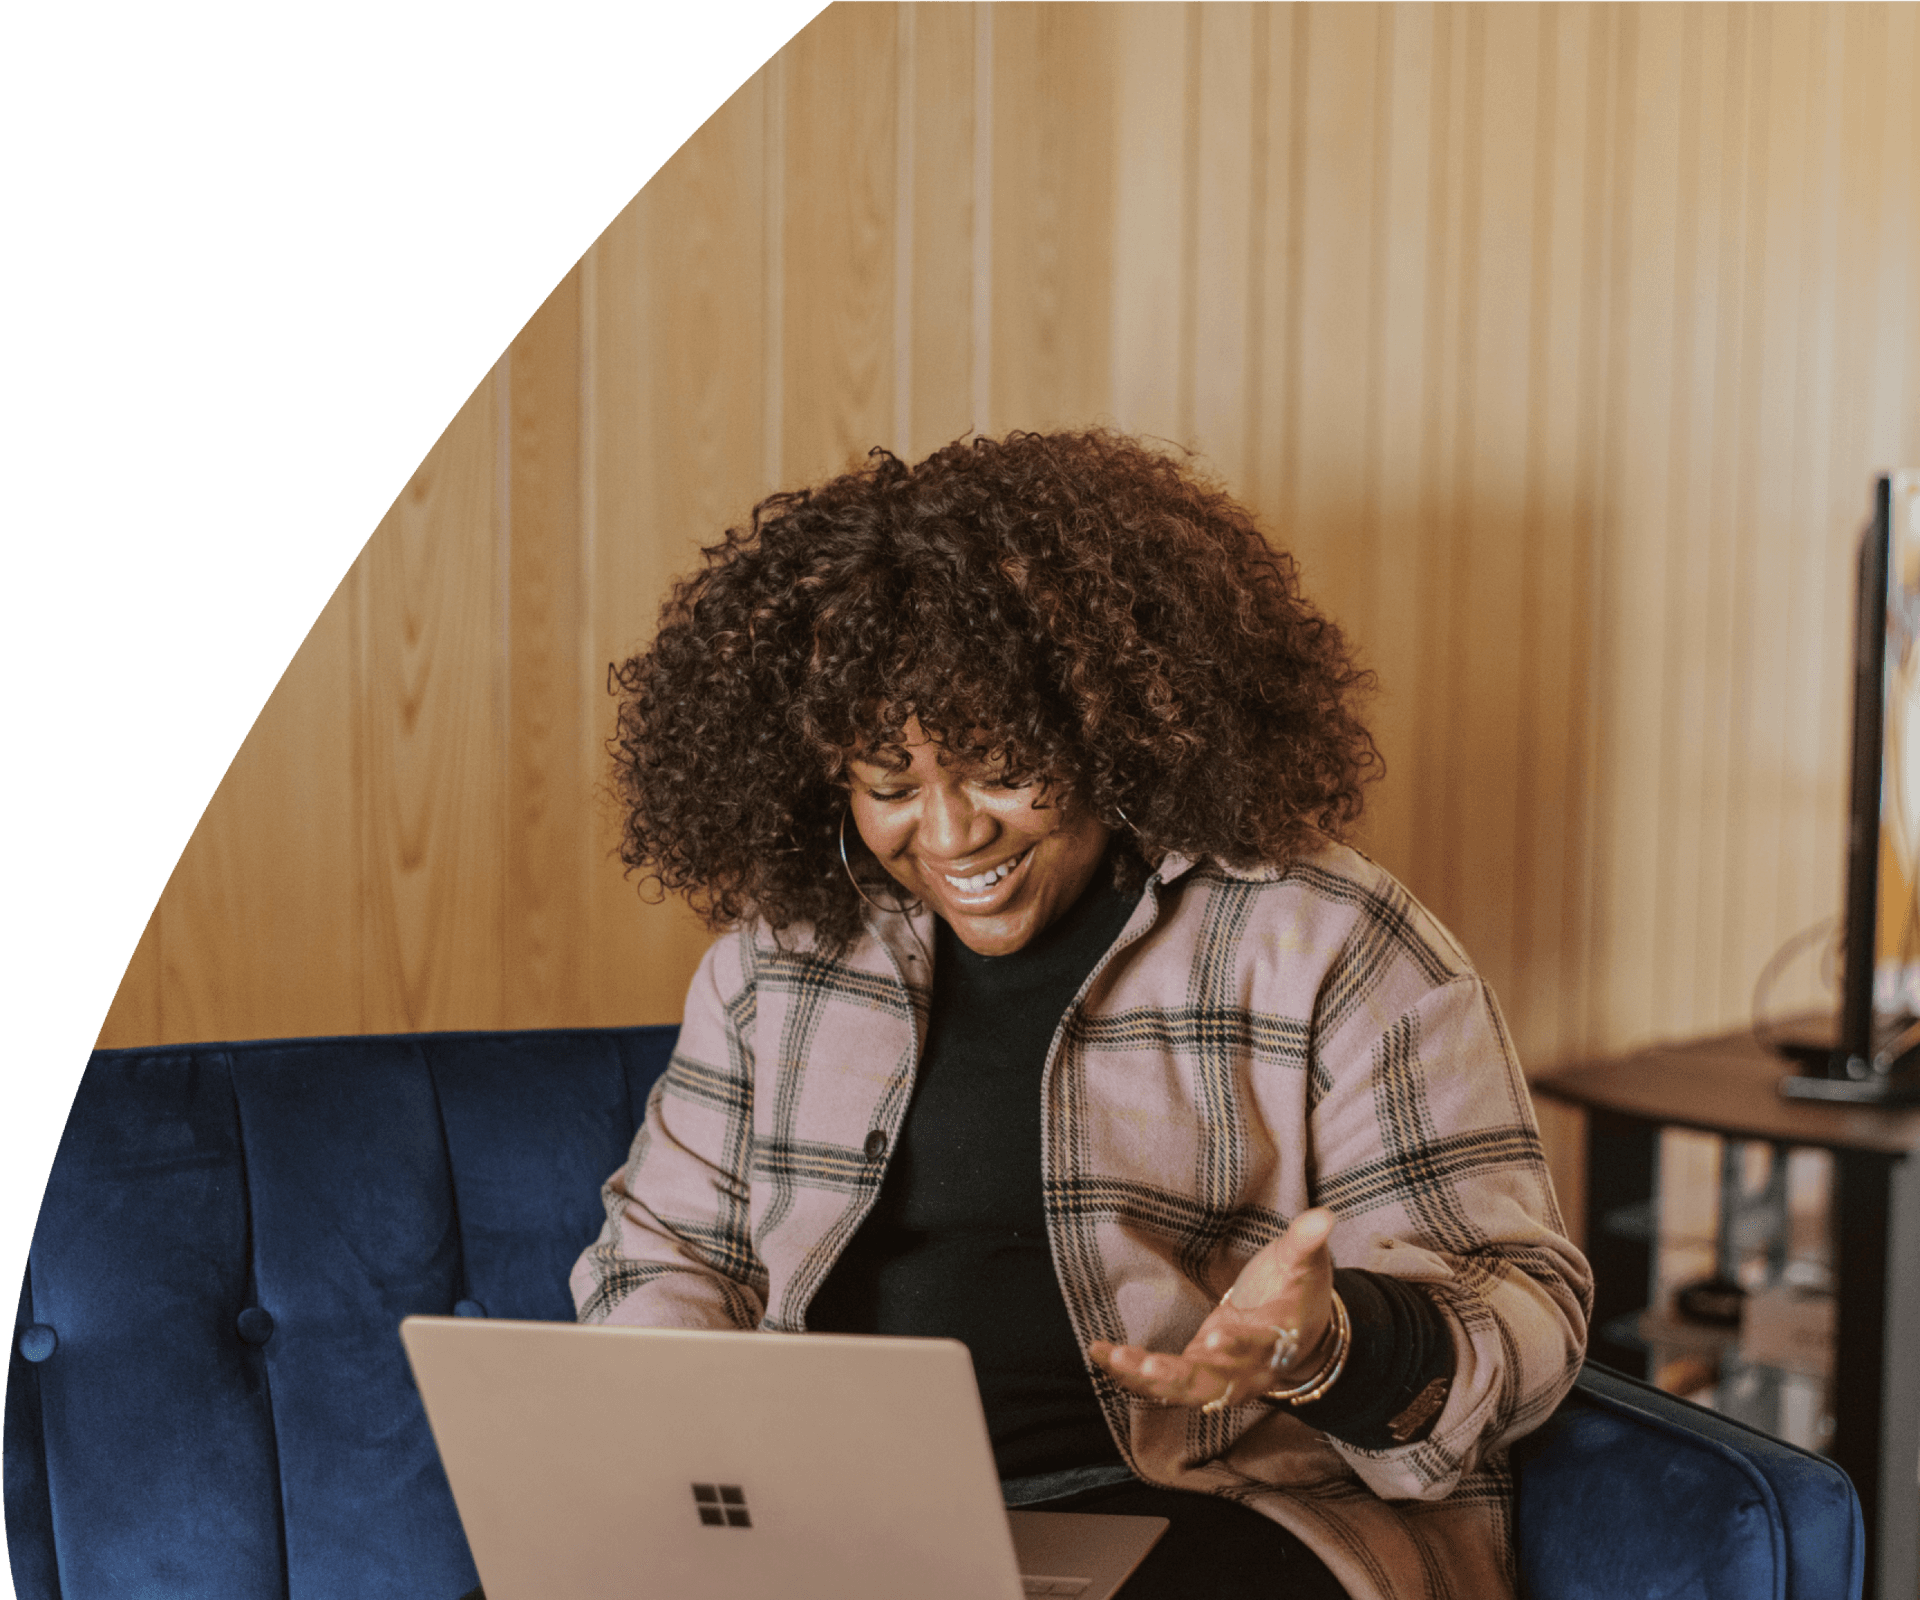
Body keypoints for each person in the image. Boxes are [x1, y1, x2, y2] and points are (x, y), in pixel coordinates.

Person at [570, 429, 1591, 1600]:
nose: (951, 837)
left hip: (1219, 1506)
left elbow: (1525, 1300)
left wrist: (1334, 1341)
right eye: (892, 788)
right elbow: (665, 1252)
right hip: (852, 1527)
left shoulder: (1329, 941)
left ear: (1107, 728)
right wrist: (697, 1461)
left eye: (1001, 767)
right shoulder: (777, 959)